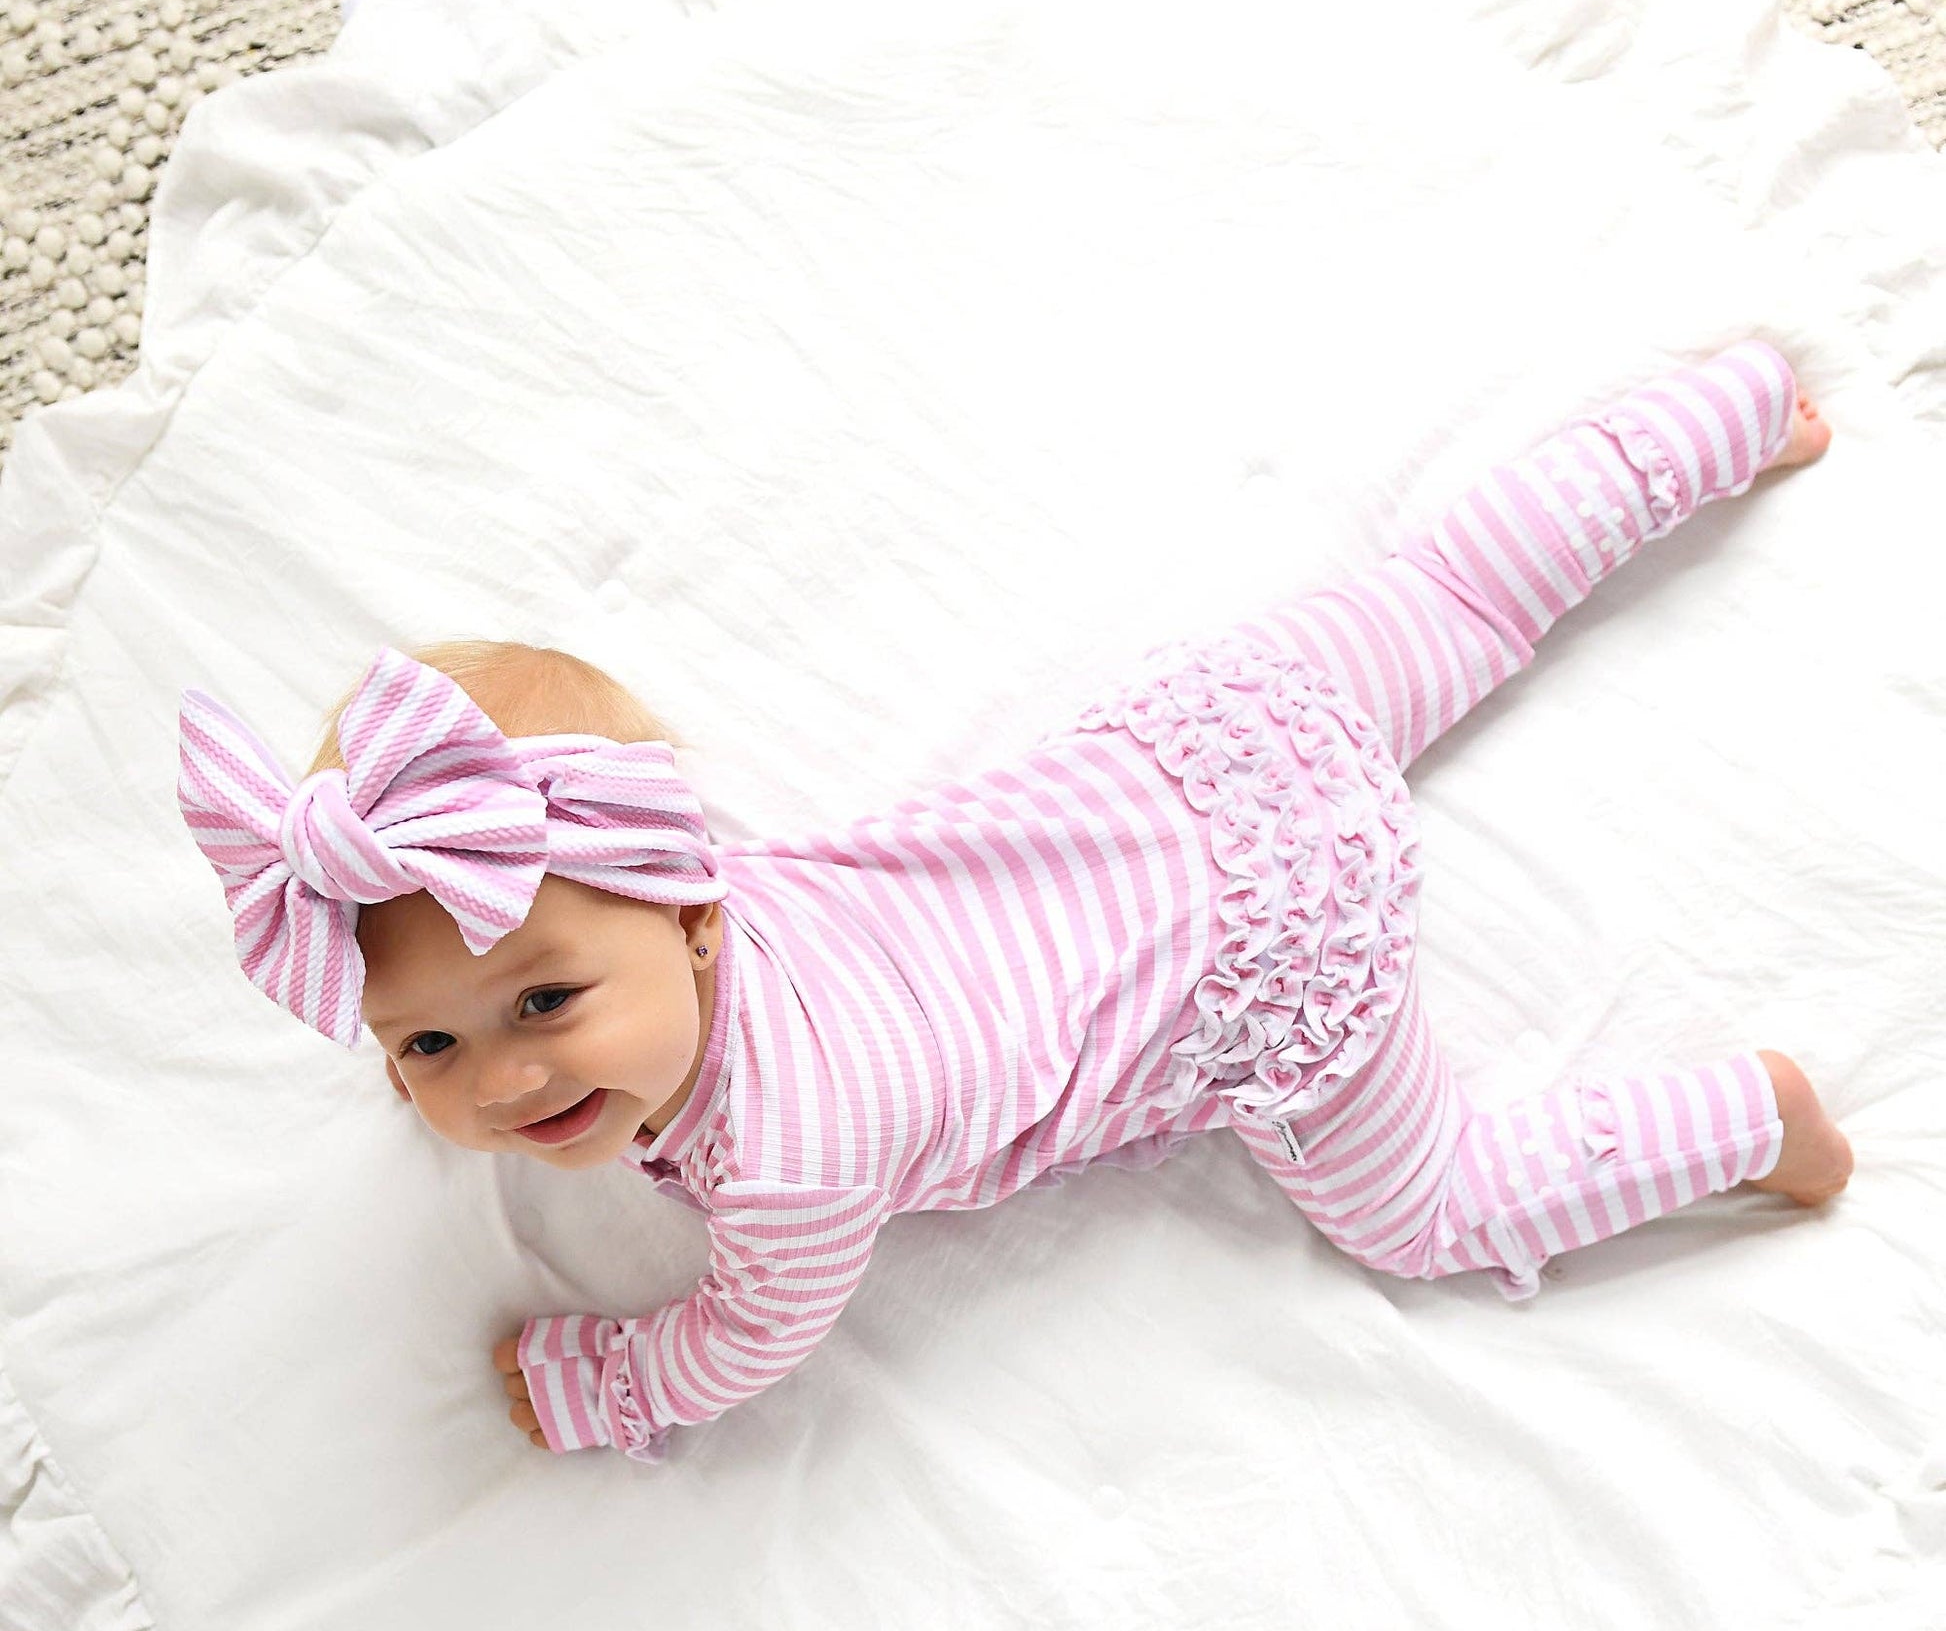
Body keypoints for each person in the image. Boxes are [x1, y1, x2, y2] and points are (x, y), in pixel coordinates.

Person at [177, 338, 1853, 1464]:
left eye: (542, 1005)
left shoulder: (791, 1166)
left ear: (694, 913)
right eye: (421, 1048)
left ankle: (1743, 1120)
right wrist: (469, 1008)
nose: (501, 1081)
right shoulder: (686, 896)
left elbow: (744, 1340)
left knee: (1430, 1208)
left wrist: (608, 1381)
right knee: (1455, 593)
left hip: (1264, 964)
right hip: (1210, 750)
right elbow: (500, 966)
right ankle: (1725, 412)